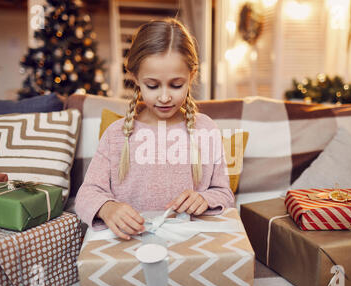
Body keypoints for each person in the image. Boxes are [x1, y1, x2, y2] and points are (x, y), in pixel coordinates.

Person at [75, 18, 234, 240]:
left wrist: (205, 199)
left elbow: (224, 194)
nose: (165, 96)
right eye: (152, 85)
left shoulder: (206, 129)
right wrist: (108, 208)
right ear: (135, 78)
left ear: (192, 75)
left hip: (188, 245)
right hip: (128, 246)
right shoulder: (116, 134)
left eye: (176, 85)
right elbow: (86, 195)